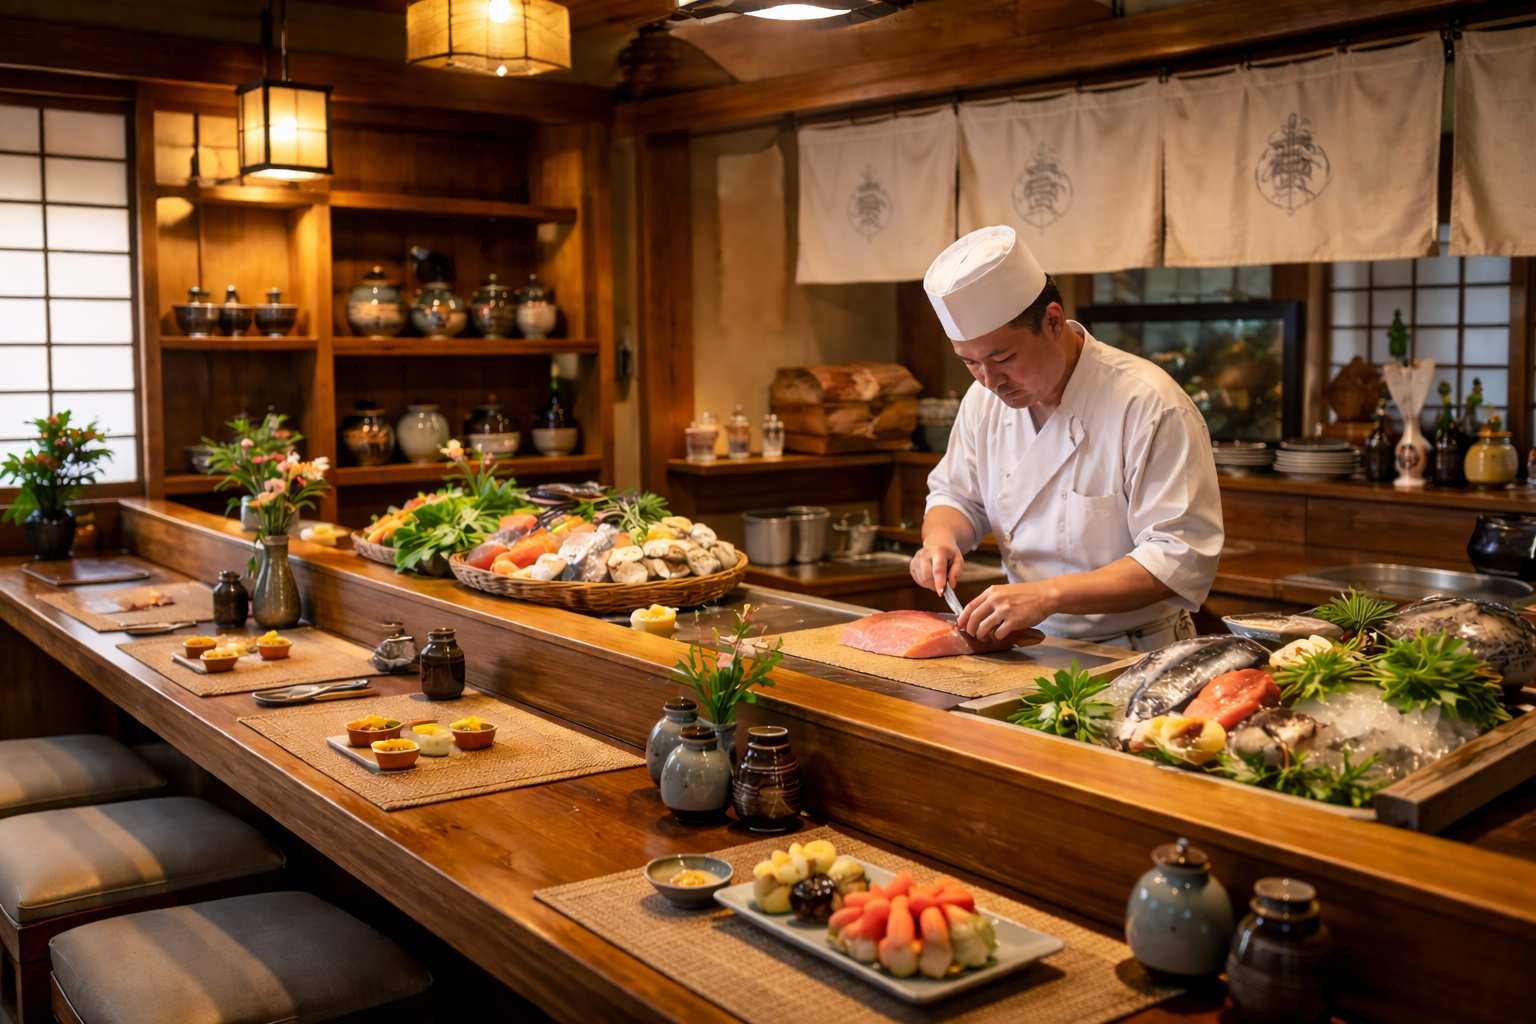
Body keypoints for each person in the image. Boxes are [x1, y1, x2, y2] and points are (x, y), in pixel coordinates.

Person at [911, 225, 1223, 652]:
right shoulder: (983, 400)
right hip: (1028, 649)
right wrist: (940, 539)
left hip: (1136, 650)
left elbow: (1178, 557)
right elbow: (956, 496)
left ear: (1053, 322)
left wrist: (1045, 595)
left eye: (1003, 358)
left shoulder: (1149, 403)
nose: (989, 381)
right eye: (969, 363)